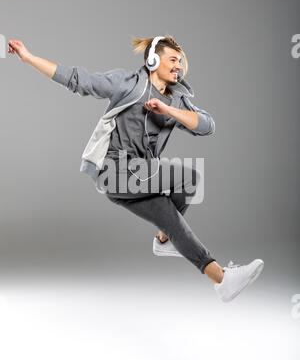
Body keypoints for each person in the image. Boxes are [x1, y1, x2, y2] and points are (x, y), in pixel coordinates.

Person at [8, 35, 264, 302]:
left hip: (138, 177)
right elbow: (77, 79)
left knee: (176, 215)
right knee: (188, 177)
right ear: (153, 60)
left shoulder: (177, 99)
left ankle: (218, 277)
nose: (179, 66)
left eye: (181, 61)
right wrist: (29, 58)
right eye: (173, 60)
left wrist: (168, 111)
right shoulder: (128, 84)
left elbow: (207, 126)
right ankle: (168, 240)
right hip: (115, 172)